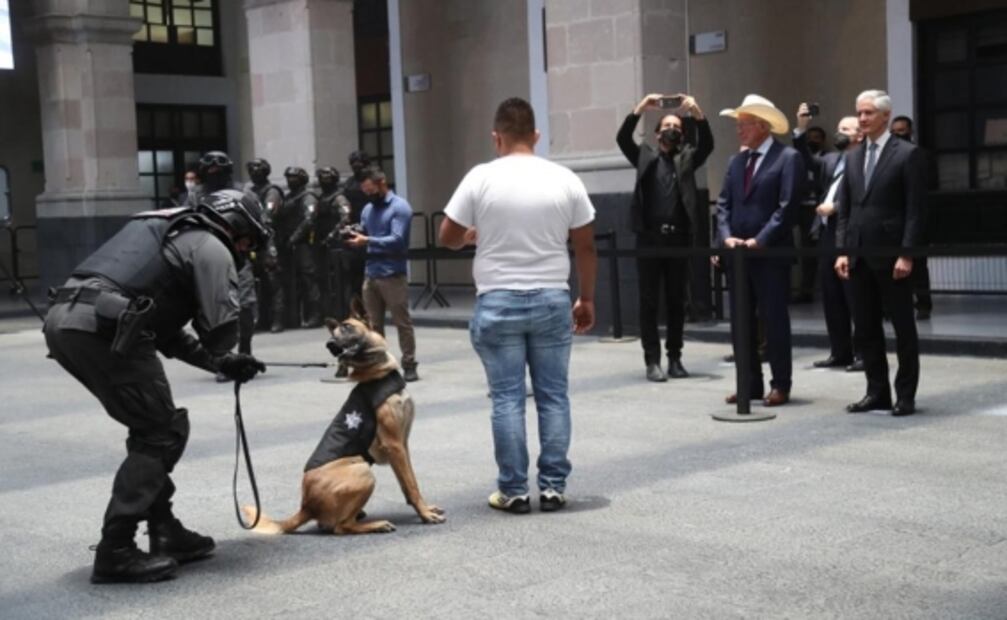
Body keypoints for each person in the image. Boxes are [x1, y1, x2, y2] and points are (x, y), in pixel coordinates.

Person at [43, 190, 268, 583]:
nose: (246, 251)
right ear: (236, 227)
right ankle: (116, 549)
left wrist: (219, 363)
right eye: (248, 242)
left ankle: (165, 530)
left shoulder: (169, 231)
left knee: (150, 424)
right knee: (161, 432)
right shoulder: (212, 245)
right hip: (101, 329)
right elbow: (221, 329)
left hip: (70, 319)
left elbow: (161, 328)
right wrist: (225, 352)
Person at [439, 96, 597, 514]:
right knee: (553, 396)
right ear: (536, 135)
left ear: (497, 138)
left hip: (498, 299)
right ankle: (553, 487)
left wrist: (470, 236)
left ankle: (512, 490)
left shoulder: (480, 178)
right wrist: (586, 298)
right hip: (551, 297)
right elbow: (586, 246)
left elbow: (446, 236)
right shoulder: (565, 178)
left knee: (507, 398)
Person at [835, 90, 926, 417]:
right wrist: (843, 251)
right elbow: (845, 210)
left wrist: (907, 253)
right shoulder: (852, 157)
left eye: (869, 113)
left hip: (892, 257)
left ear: (885, 116)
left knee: (903, 328)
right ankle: (877, 392)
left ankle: (905, 395)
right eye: (859, 113)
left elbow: (915, 210)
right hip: (858, 255)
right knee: (866, 328)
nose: (862, 118)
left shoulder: (907, 154)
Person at [616, 93, 713, 382]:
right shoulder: (645, 156)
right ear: (657, 133)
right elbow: (623, 139)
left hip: (678, 240)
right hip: (649, 239)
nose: (672, 130)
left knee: (675, 301)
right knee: (648, 302)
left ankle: (675, 357)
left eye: (677, 127)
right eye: (667, 126)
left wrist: (697, 112)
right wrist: (641, 108)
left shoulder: (686, 158)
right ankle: (652, 361)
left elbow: (707, 145)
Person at [716, 94, 805, 407]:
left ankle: (780, 384)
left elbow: (787, 207)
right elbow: (723, 205)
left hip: (770, 255)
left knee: (774, 319)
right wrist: (726, 237)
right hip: (739, 256)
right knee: (741, 323)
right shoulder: (736, 161)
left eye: (745, 124)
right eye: (738, 124)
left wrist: (761, 239)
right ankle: (748, 384)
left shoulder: (787, 158)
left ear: (764, 126)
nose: (739, 130)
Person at [794, 108, 864, 370]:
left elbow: (864, 196)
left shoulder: (866, 160)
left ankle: (863, 353)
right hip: (826, 234)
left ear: (859, 135)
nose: (839, 133)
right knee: (832, 296)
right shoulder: (832, 160)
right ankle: (840, 351)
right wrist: (801, 128)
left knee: (855, 296)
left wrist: (834, 207)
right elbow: (806, 160)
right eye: (838, 128)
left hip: (850, 233)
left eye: (845, 129)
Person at [343, 166, 420, 382]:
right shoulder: (368, 209)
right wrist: (353, 234)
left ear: (382, 183)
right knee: (373, 325)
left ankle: (409, 363)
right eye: (365, 192)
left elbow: (397, 239)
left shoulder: (399, 207)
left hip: (392, 273)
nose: (368, 195)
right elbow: (364, 231)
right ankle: (379, 363)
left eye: (371, 190)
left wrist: (367, 240)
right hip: (371, 272)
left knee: (402, 322)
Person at [890, 115, 933, 321]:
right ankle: (893, 307)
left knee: (918, 266)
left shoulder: (919, 154)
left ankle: (923, 304)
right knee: (892, 264)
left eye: (902, 130)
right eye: (894, 131)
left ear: (910, 131)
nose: (898, 134)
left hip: (917, 219)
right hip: (895, 219)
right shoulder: (890, 156)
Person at [273, 166, 322, 330]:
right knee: (290, 281)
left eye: (294, 177)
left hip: (304, 245)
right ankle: (292, 317)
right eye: (288, 177)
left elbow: (309, 219)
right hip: (288, 245)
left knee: (309, 279)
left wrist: (295, 237)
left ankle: (315, 315)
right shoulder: (288, 197)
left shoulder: (308, 197)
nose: (290, 180)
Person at [245, 158, 284, 332]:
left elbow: (268, 215)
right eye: (251, 169)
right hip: (254, 239)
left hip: (269, 240)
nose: (254, 173)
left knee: (273, 280)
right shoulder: (249, 191)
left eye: (258, 169)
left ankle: (278, 319)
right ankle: (262, 319)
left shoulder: (272, 191)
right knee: (257, 283)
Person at [313, 166, 345, 318]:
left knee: (338, 281)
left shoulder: (339, 198)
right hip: (322, 244)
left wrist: (332, 235)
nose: (323, 181)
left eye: (327, 178)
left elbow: (345, 218)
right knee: (323, 279)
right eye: (321, 178)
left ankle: (340, 312)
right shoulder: (322, 198)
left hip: (336, 245)